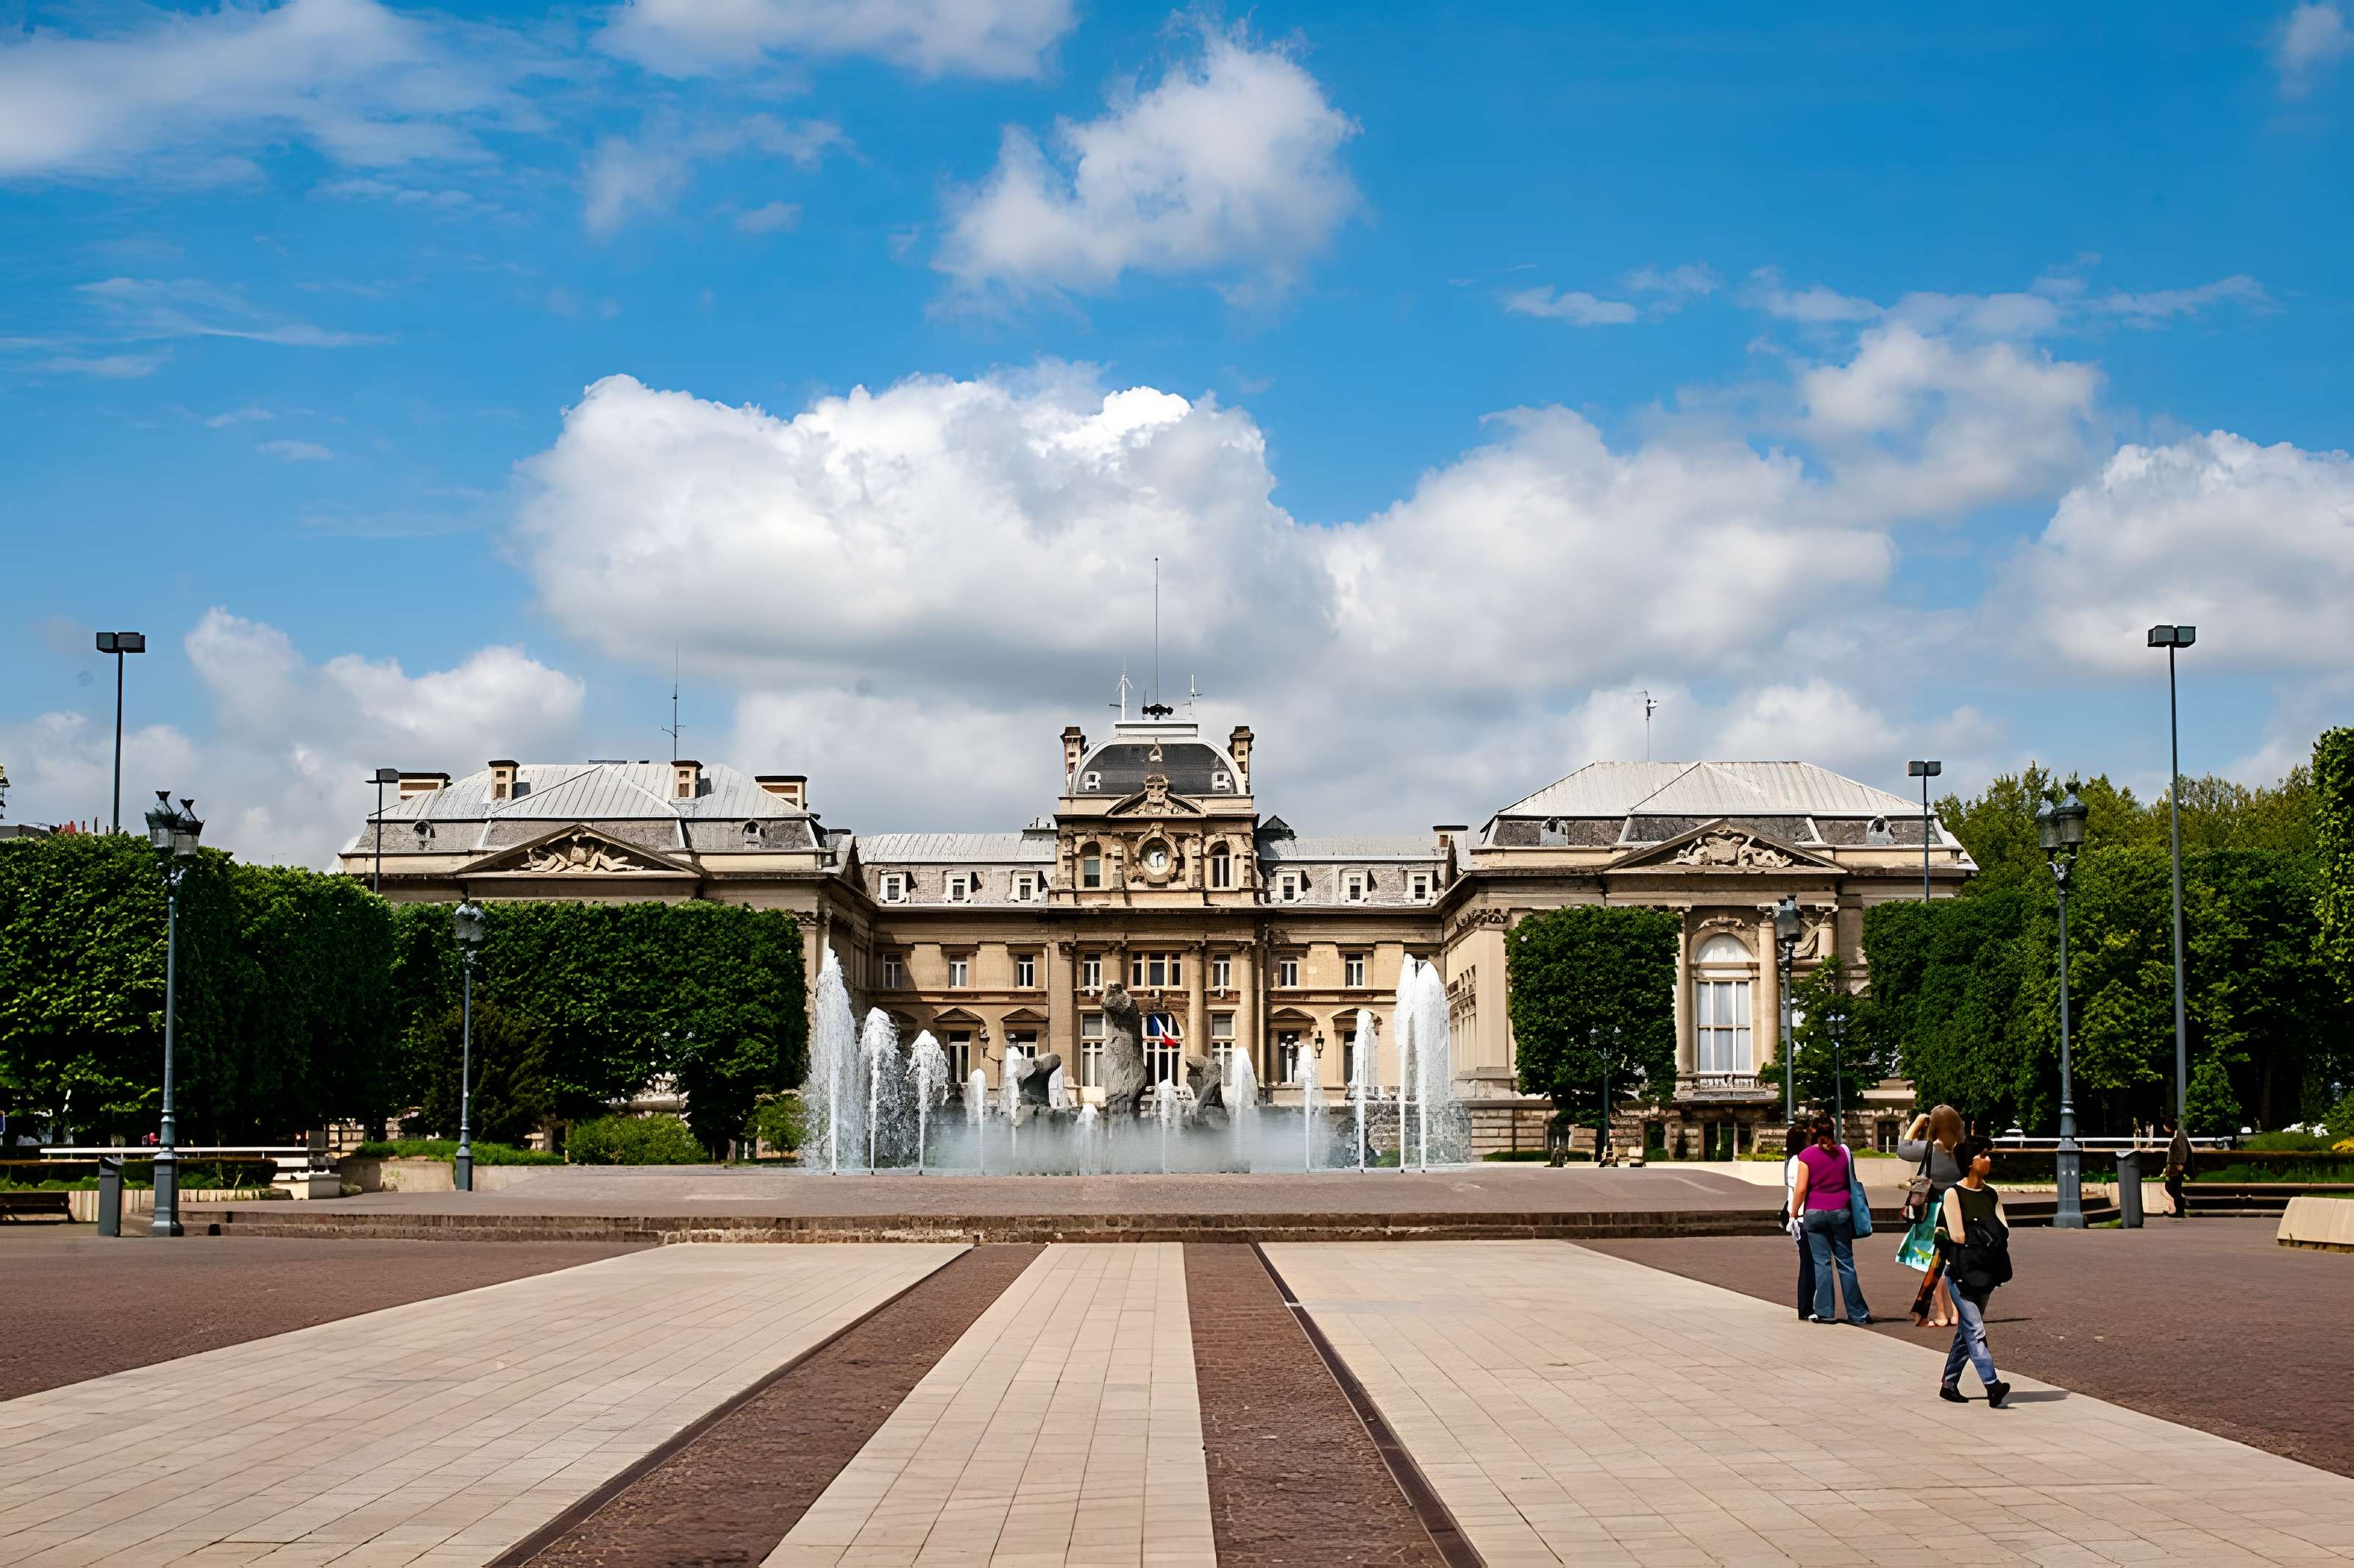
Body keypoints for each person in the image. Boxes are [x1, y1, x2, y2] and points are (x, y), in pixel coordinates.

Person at [1936, 1136, 2012, 1408]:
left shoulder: (1991, 1194)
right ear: (1970, 1162)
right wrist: (1985, 1233)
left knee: (1966, 1332)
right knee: (1976, 1329)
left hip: (1986, 1272)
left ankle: (1949, 1383)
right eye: (1983, 1155)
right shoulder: (1953, 1194)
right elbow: (1956, 1236)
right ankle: (1992, 1386)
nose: (1989, 1159)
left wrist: (1980, 1233)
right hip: (1960, 1272)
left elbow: (2004, 1230)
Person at [1789, 1114, 1871, 1325]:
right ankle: (1858, 1313)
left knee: (1821, 1263)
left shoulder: (1805, 1156)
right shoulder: (1844, 1153)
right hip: (1841, 1212)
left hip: (1815, 1213)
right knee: (1846, 1263)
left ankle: (1825, 1312)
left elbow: (1801, 1189)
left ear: (1813, 1133)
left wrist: (1793, 1212)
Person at [1896, 1105, 1966, 1328]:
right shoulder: (1964, 1150)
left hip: (1932, 1212)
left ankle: (1942, 1313)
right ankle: (1959, 1313)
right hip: (1958, 1208)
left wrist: (1917, 1122)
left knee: (1935, 1264)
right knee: (1955, 1262)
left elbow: (1903, 1148)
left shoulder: (1927, 1149)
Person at [1782, 1122, 1816, 1319]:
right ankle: (1805, 1307)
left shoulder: (1795, 1160)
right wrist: (1794, 1214)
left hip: (1800, 1216)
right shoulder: (1798, 1161)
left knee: (1809, 1263)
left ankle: (1808, 1306)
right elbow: (1800, 1190)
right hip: (1801, 1217)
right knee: (1808, 1264)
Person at [2163, 1116, 2192, 1219]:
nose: (2164, 1128)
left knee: (2174, 1188)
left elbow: (2182, 1151)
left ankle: (2180, 1210)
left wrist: (2180, 1164)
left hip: (2177, 1167)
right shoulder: (2177, 1136)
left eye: (2165, 1126)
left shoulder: (2179, 1137)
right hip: (2175, 1166)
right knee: (2174, 1188)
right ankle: (2179, 1209)